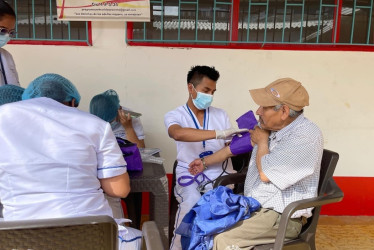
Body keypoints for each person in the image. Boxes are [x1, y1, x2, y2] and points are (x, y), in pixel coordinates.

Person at [0, 73, 142, 249]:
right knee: (139, 238)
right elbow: (119, 189)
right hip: (90, 234)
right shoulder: (94, 124)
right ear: (72, 102)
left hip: (19, 238)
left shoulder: (3, 117)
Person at [188, 77, 323, 249]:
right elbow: (233, 149)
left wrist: (263, 142)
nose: (258, 111)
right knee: (202, 225)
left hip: (279, 216)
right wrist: (204, 162)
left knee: (221, 240)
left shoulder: (305, 136)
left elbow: (266, 174)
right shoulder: (273, 127)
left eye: (264, 107)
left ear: (283, 111)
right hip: (254, 207)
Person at [164, 65, 248, 250]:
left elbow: (228, 147)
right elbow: (177, 134)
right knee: (192, 202)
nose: (209, 96)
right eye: (206, 90)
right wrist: (218, 133)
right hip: (189, 172)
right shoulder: (175, 115)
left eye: (213, 91)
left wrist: (237, 139)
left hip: (219, 171)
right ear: (190, 88)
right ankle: (178, 247)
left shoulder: (220, 114)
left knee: (218, 205)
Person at [89, 89, 145, 228]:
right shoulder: (89, 121)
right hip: (101, 170)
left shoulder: (131, 118)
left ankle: (135, 225)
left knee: (132, 193)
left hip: (128, 168)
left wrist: (128, 127)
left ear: (118, 111)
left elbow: (141, 148)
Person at [0, 0, 19, 86]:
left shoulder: (6, 56)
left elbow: (15, 89)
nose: (7, 36)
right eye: (3, 30)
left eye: (11, 32)